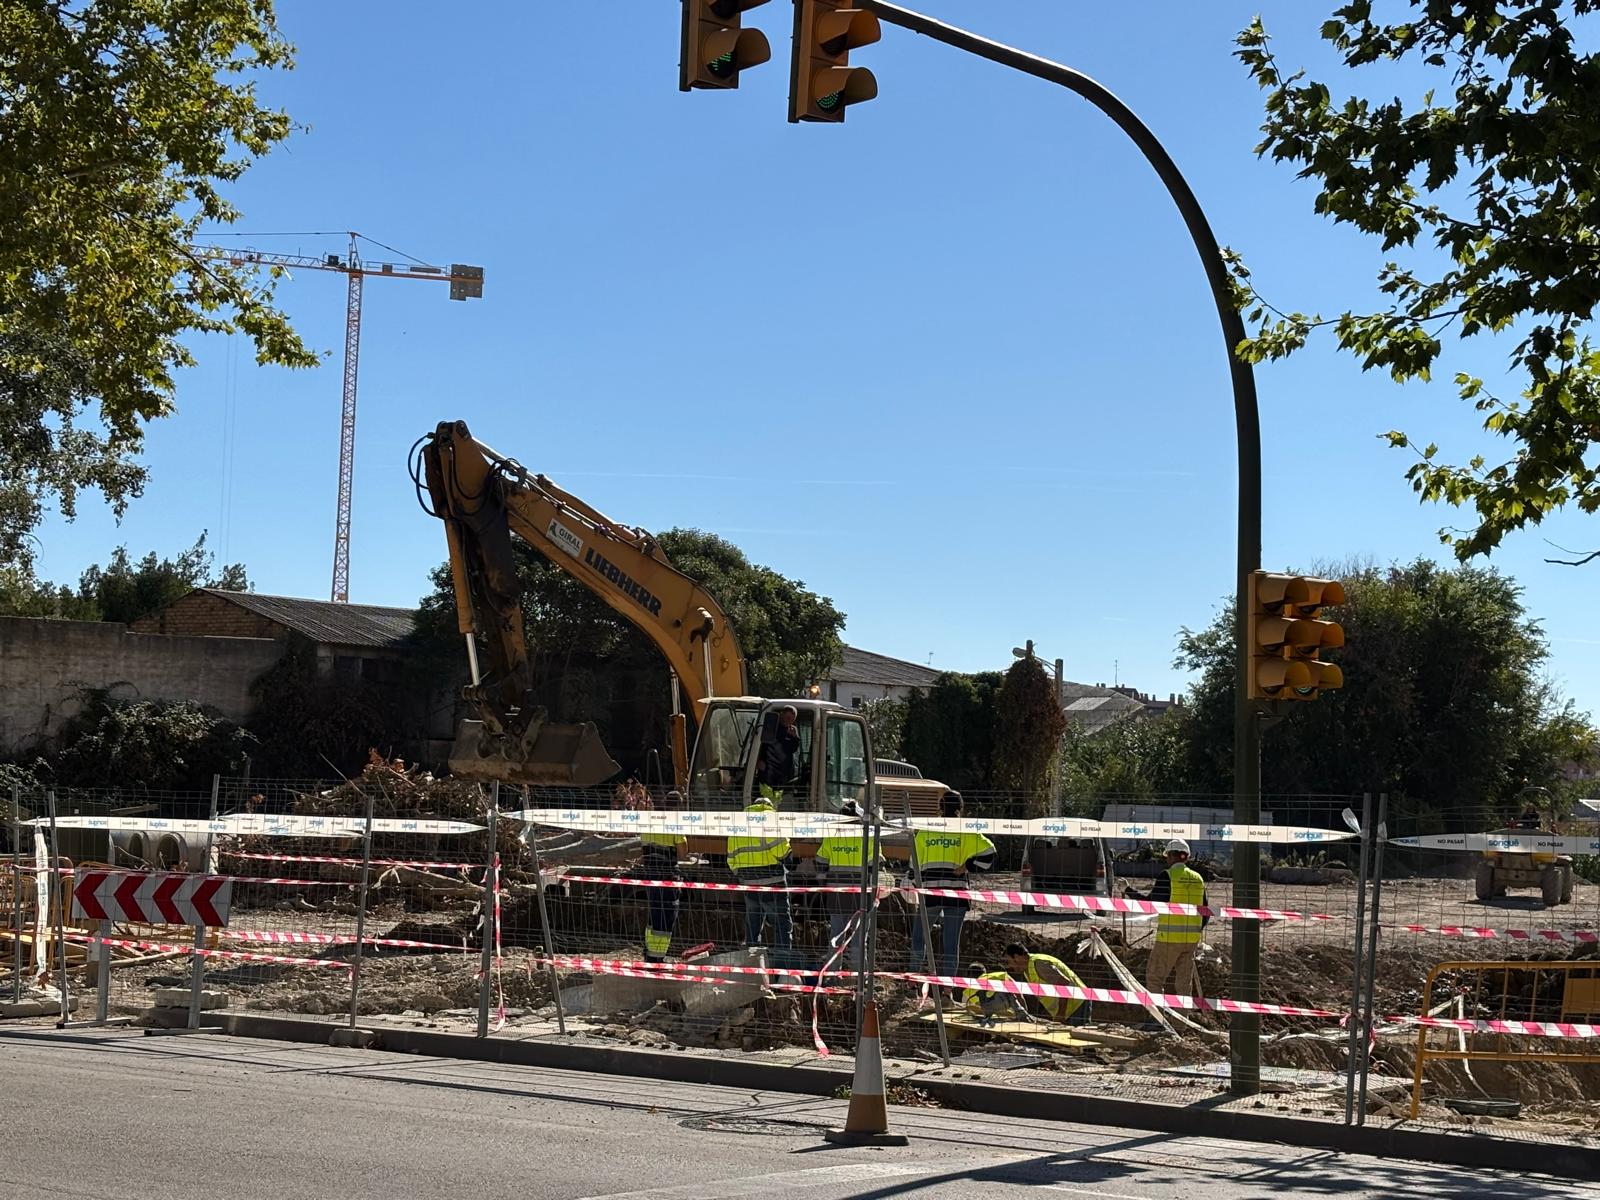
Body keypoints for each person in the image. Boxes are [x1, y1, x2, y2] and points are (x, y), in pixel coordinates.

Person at [909, 791, 996, 976]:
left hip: (930, 893)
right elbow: (990, 854)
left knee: (919, 938)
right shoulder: (965, 829)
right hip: (957, 894)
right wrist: (968, 866)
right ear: (960, 807)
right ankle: (947, 991)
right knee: (950, 945)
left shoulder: (927, 828)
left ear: (940, 806)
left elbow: (913, 865)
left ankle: (912, 982)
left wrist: (912, 883)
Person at [1124, 838, 1208, 997]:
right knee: (1184, 985)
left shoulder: (1168, 876)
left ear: (1170, 856)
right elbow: (1205, 911)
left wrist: (1129, 890)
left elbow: (1151, 903)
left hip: (1169, 939)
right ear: (1187, 857)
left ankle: (1157, 1019)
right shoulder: (1198, 878)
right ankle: (1181, 1021)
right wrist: (1196, 930)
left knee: (1155, 978)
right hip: (1191, 940)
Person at [725, 787, 797, 969]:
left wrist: (742, 874)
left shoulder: (739, 821)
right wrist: (789, 857)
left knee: (753, 926)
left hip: (748, 883)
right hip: (772, 882)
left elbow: (731, 858)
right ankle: (781, 969)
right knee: (782, 925)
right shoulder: (769, 818)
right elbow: (780, 848)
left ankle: (752, 967)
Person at [814, 801, 880, 970]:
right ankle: (860, 980)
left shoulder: (832, 836)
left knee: (836, 937)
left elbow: (820, 862)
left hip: (836, 895)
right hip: (861, 897)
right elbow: (876, 868)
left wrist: (824, 885)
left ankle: (832, 975)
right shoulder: (869, 837)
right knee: (859, 940)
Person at [639, 790, 687, 964]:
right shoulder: (674, 822)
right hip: (667, 875)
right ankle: (657, 959)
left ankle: (649, 954)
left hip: (650, 874)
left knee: (654, 915)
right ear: (679, 806)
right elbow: (682, 853)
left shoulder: (650, 821)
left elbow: (643, 848)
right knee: (666, 917)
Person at [1003, 943, 1090, 1024]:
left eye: (1009, 961)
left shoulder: (1039, 964)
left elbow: (1063, 983)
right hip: (1068, 1009)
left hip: (1077, 1004)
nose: (1009, 966)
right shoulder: (1028, 970)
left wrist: (1061, 1013)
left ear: (1017, 957)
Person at [754, 705, 801, 802]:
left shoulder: (792, 732)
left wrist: (794, 737)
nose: (788, 721)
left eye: (792, 719)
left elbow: (793, 749)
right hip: (768, 769)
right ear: (781, 715)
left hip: (783, 772)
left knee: (777, 799)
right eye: (787, 718)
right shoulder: (771, 728)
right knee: (765, 797)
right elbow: (762, 745)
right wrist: (759, 760)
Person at [962, 961, 1028, 1022]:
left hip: (997, 1017)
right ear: (985, 973)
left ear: (969, 976)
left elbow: (979, 1009)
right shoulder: (1001, 975)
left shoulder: (968, 991)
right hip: (1013, 1011)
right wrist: (1025, 1014)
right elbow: (1019, 994)